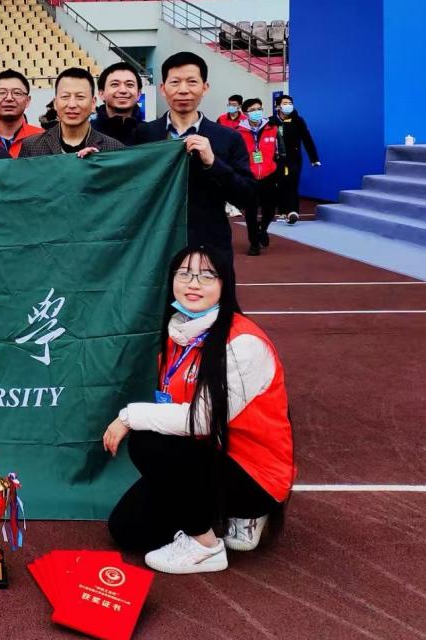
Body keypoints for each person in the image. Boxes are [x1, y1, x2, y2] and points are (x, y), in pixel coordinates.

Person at [103, 245, 294, 574]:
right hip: (206, 457)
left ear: (225, 284)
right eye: (185, 274)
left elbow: (203, 419)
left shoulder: (243, 343)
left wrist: (128, 417)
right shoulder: (179, 333)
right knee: (127, 530)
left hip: (253, 473)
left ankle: (208, 544)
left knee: (148, 441)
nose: (193, 283)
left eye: (207, 276)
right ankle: (219, 512)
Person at [133, 53, 254, 260]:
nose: (183, 90)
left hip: (209, 246)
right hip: (154, 246)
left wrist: (213, 163)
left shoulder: (228, 138)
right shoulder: (143, 135)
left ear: (205, 88)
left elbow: (247, 196)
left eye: (192, 82)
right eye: (175, 82)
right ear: (163, 88)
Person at [21, 68, 125, 157]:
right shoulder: (31, 147)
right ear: (55, 103)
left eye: (80, 97)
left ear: (93, 103)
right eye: (65, 96)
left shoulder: (115, 149)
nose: (72, 104)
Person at [271, 94, 321, 225]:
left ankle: (293, 212)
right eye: (285, 103)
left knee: (292, 182)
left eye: (290, 103)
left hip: (293, 158)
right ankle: (282, 211)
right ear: (278, 106)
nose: (288, 105)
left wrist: (314, 158)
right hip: (276, 159)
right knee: (281, 183)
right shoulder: (271, 121)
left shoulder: (298, 121)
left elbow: (307, 139)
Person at [239, 98, 279, 256]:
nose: (257, 112)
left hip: (269, 175)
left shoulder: (272, 128)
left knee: (270, 210)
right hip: (249, 177)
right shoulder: (238, 132)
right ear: (245, 113)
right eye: (253, 110)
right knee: (251, 211)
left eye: (259, 109)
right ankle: (254, 244)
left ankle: (262, 229)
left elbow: (280, 151)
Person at [0, 69, 43, 157]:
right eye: (1, 92)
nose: (9, 98)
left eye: (17, 93)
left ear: (27, 100)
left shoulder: (42, 138)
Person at [93, 62, 145, 145]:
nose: (123, 90)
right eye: (115, 84)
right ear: (101, 93)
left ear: (139, 94)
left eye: (129, 85)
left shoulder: (152, 134)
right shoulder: (87, 133)